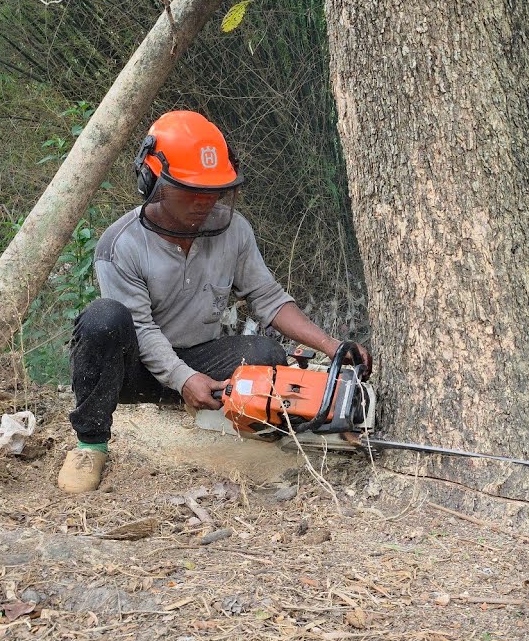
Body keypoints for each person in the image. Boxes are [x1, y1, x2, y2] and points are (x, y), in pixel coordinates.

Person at [57, 110, 372, 493]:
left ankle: (244, 428)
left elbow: (268, 298)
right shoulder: (120, 244)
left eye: (213, 190)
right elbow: (140, 327)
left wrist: (332, 346)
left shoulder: (233, 230)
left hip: (200, 355)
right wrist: (183, 379)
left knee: (264, 354)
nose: (203, 201)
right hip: (132, 368)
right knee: (102, 319)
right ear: (152, 181)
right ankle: (91, 444)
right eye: (189, 190)